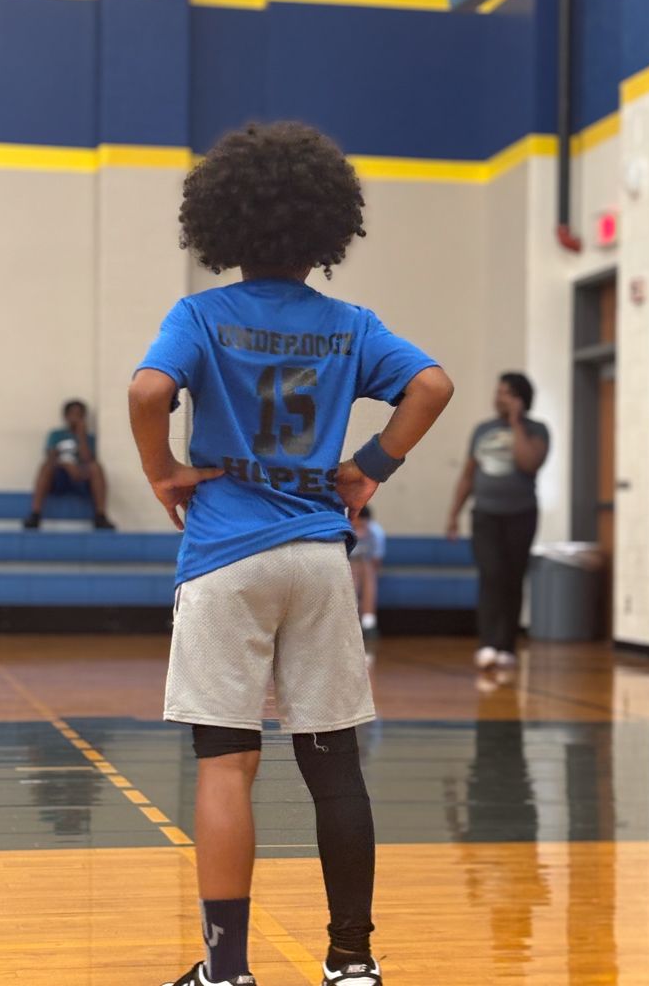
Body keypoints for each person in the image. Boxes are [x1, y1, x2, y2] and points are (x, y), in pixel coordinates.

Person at [128, 122, 454, 986]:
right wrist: (369, 468)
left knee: (227, 763)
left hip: (226, 554)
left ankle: (226, 971)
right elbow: (432, 386)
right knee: (333, 760)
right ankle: (352, 961)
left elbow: (148, 390)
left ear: (225, 226)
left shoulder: (200, 314)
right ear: (324, 230)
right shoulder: (350, 325)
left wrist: (163, 473)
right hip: (316, 553)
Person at [446, 373, 549, 671]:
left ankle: (507, 646)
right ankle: (488, 643)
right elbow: (468, 475)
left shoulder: (537, 430)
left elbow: (529, 462)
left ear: (521, 398)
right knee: (490, 575)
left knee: (513, 579)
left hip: (521, 514)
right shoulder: (483, 430)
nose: (498, 397)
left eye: (506, 393)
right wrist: (454, 514)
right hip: (486, 514)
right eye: (498, 391)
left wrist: (516, 422)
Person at [23, 400, 115, 530]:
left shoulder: (89, 438)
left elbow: (88, 460)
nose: (76, 417)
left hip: (81, 477)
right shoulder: (56, 435)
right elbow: (51, 458)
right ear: (66, 416)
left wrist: (81, 436)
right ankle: (35, 514)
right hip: (60, 477)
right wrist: (67, 465)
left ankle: (100, 516)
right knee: (45, 467)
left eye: (79, 414)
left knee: (96, 468)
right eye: (73, 414)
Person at [350, 506, 386, 634]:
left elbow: (377, 559)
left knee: (368, 579)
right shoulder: (346, 530)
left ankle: (368, 623)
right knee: (352, 583)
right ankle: (350, 624)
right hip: (348, 567)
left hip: (367, 567)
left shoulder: (375, 532)